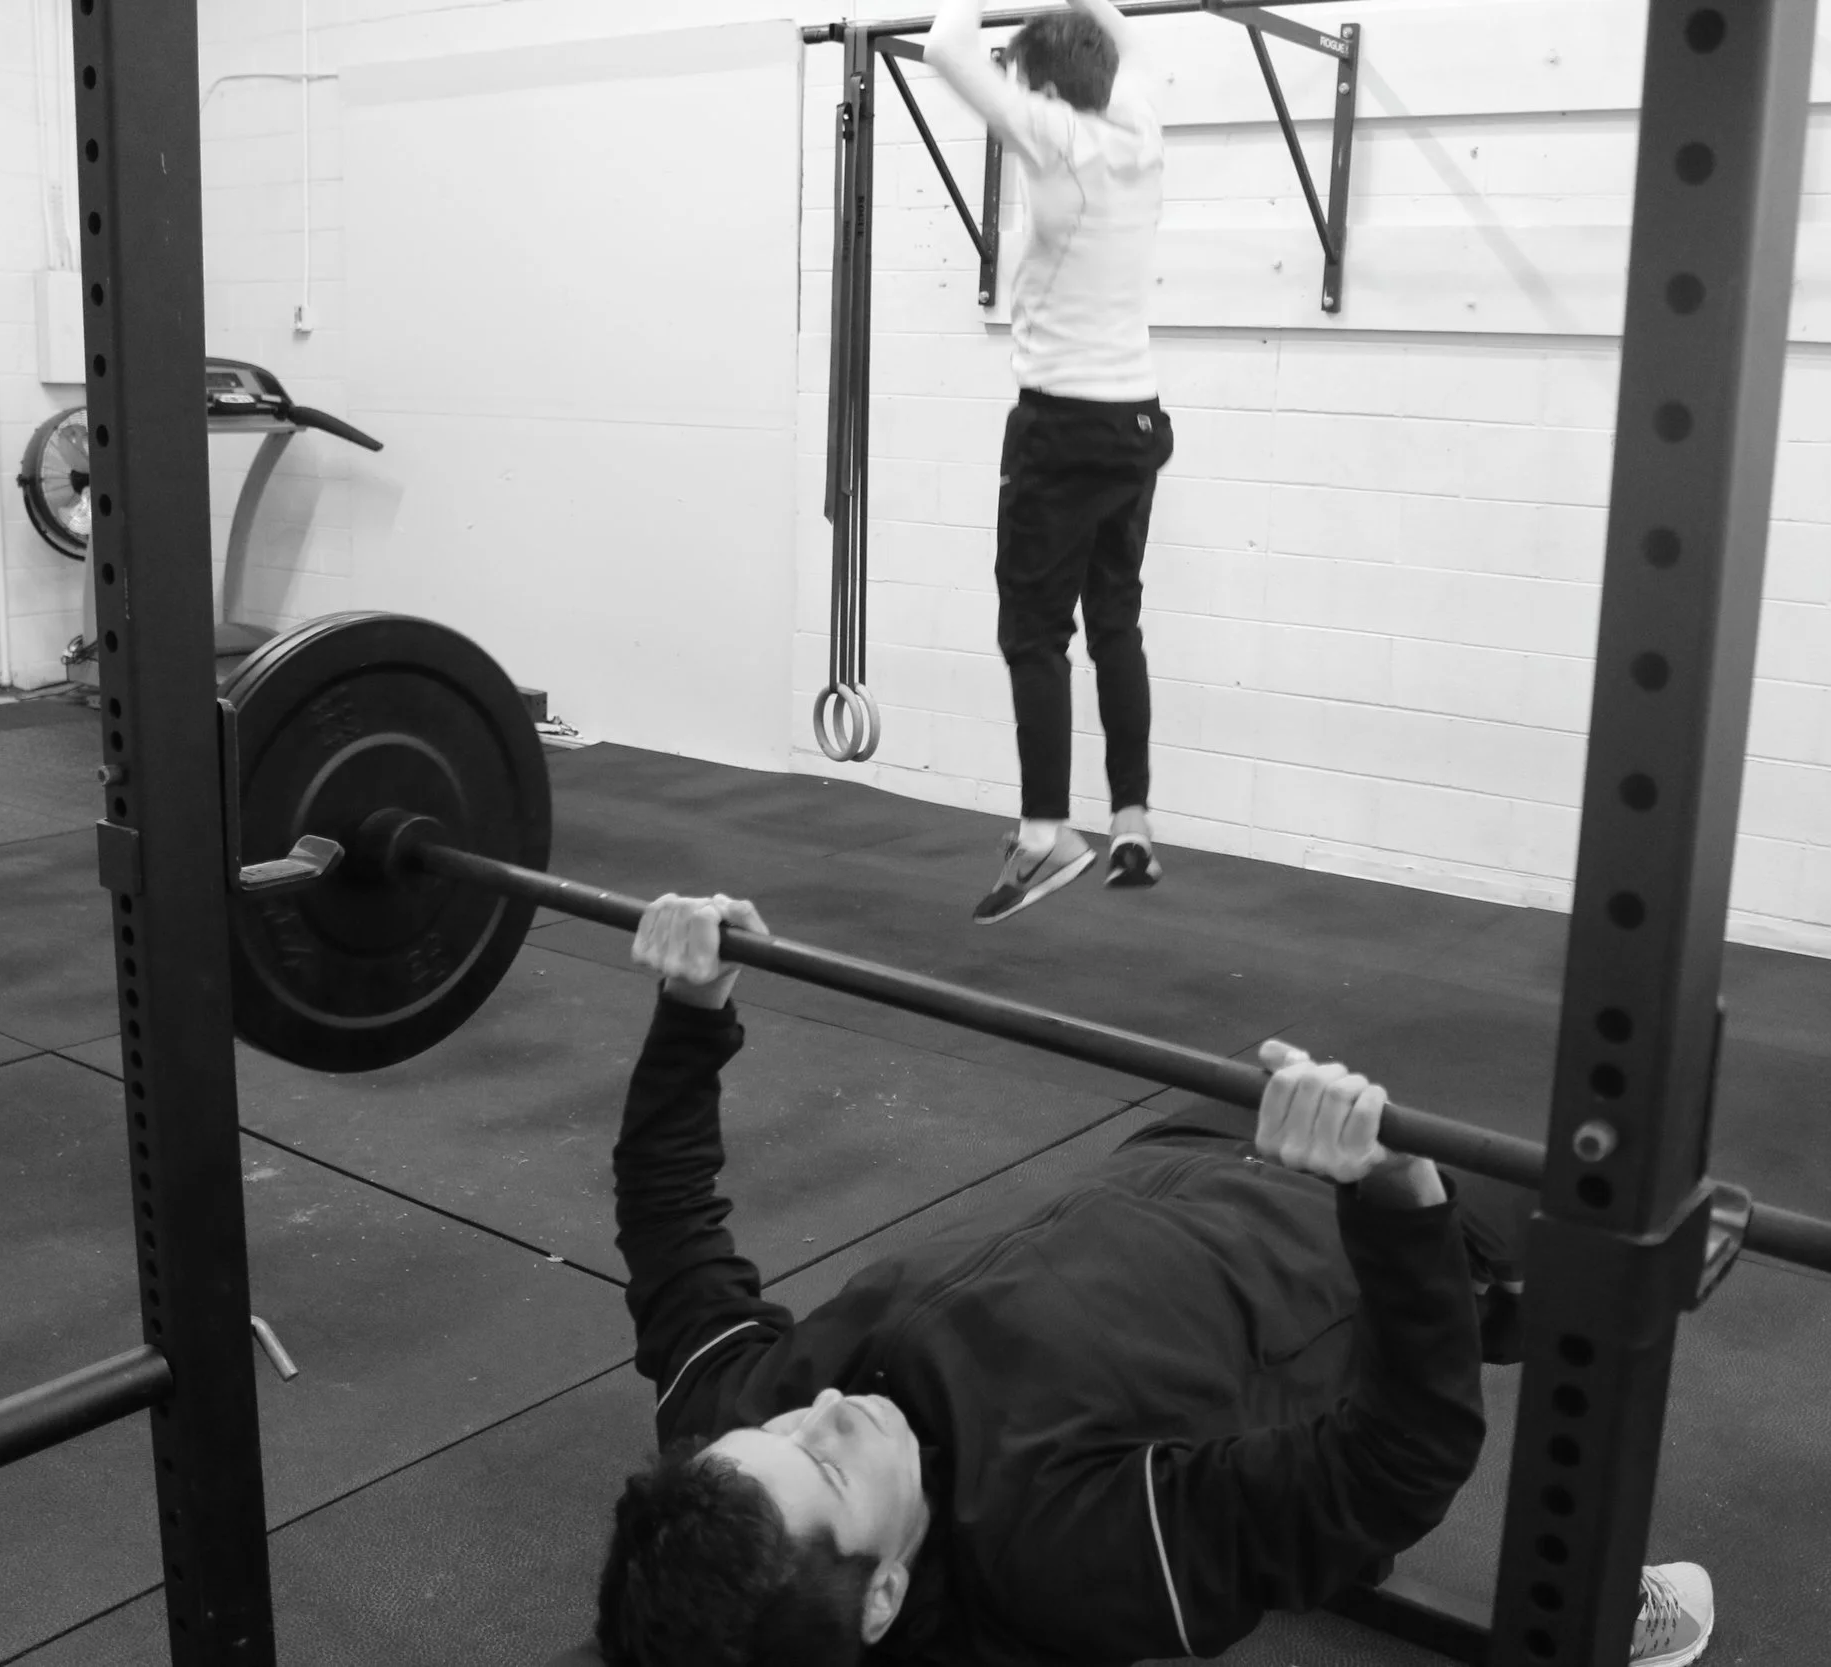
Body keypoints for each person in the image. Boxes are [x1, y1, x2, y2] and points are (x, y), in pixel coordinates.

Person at [567, 893, 1718, 1667]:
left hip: (1186, 1148)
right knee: (1647, 1210)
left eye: (773, 1422)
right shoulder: (1069, 1560)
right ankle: (1590, 1601)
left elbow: (666, 1214)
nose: (814, 1405)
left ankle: (1301, 1538)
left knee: (1294, 1518)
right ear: (880, 1596)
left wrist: (692, 1001)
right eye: (826, 1455)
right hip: (1382, 1242)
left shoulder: (739, 1438)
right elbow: (1401, 1458)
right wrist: (1395, 1199)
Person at [924, 0, 1176, 923]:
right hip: (1138, 423)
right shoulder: (1139, 123)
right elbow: (1131, 41)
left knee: (1035, 632)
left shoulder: (1056, 135)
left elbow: (950, 42)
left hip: (1062, 427)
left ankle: (1044, 834)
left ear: (1037, 84)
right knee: (1115, 621)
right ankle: (1133, 818)